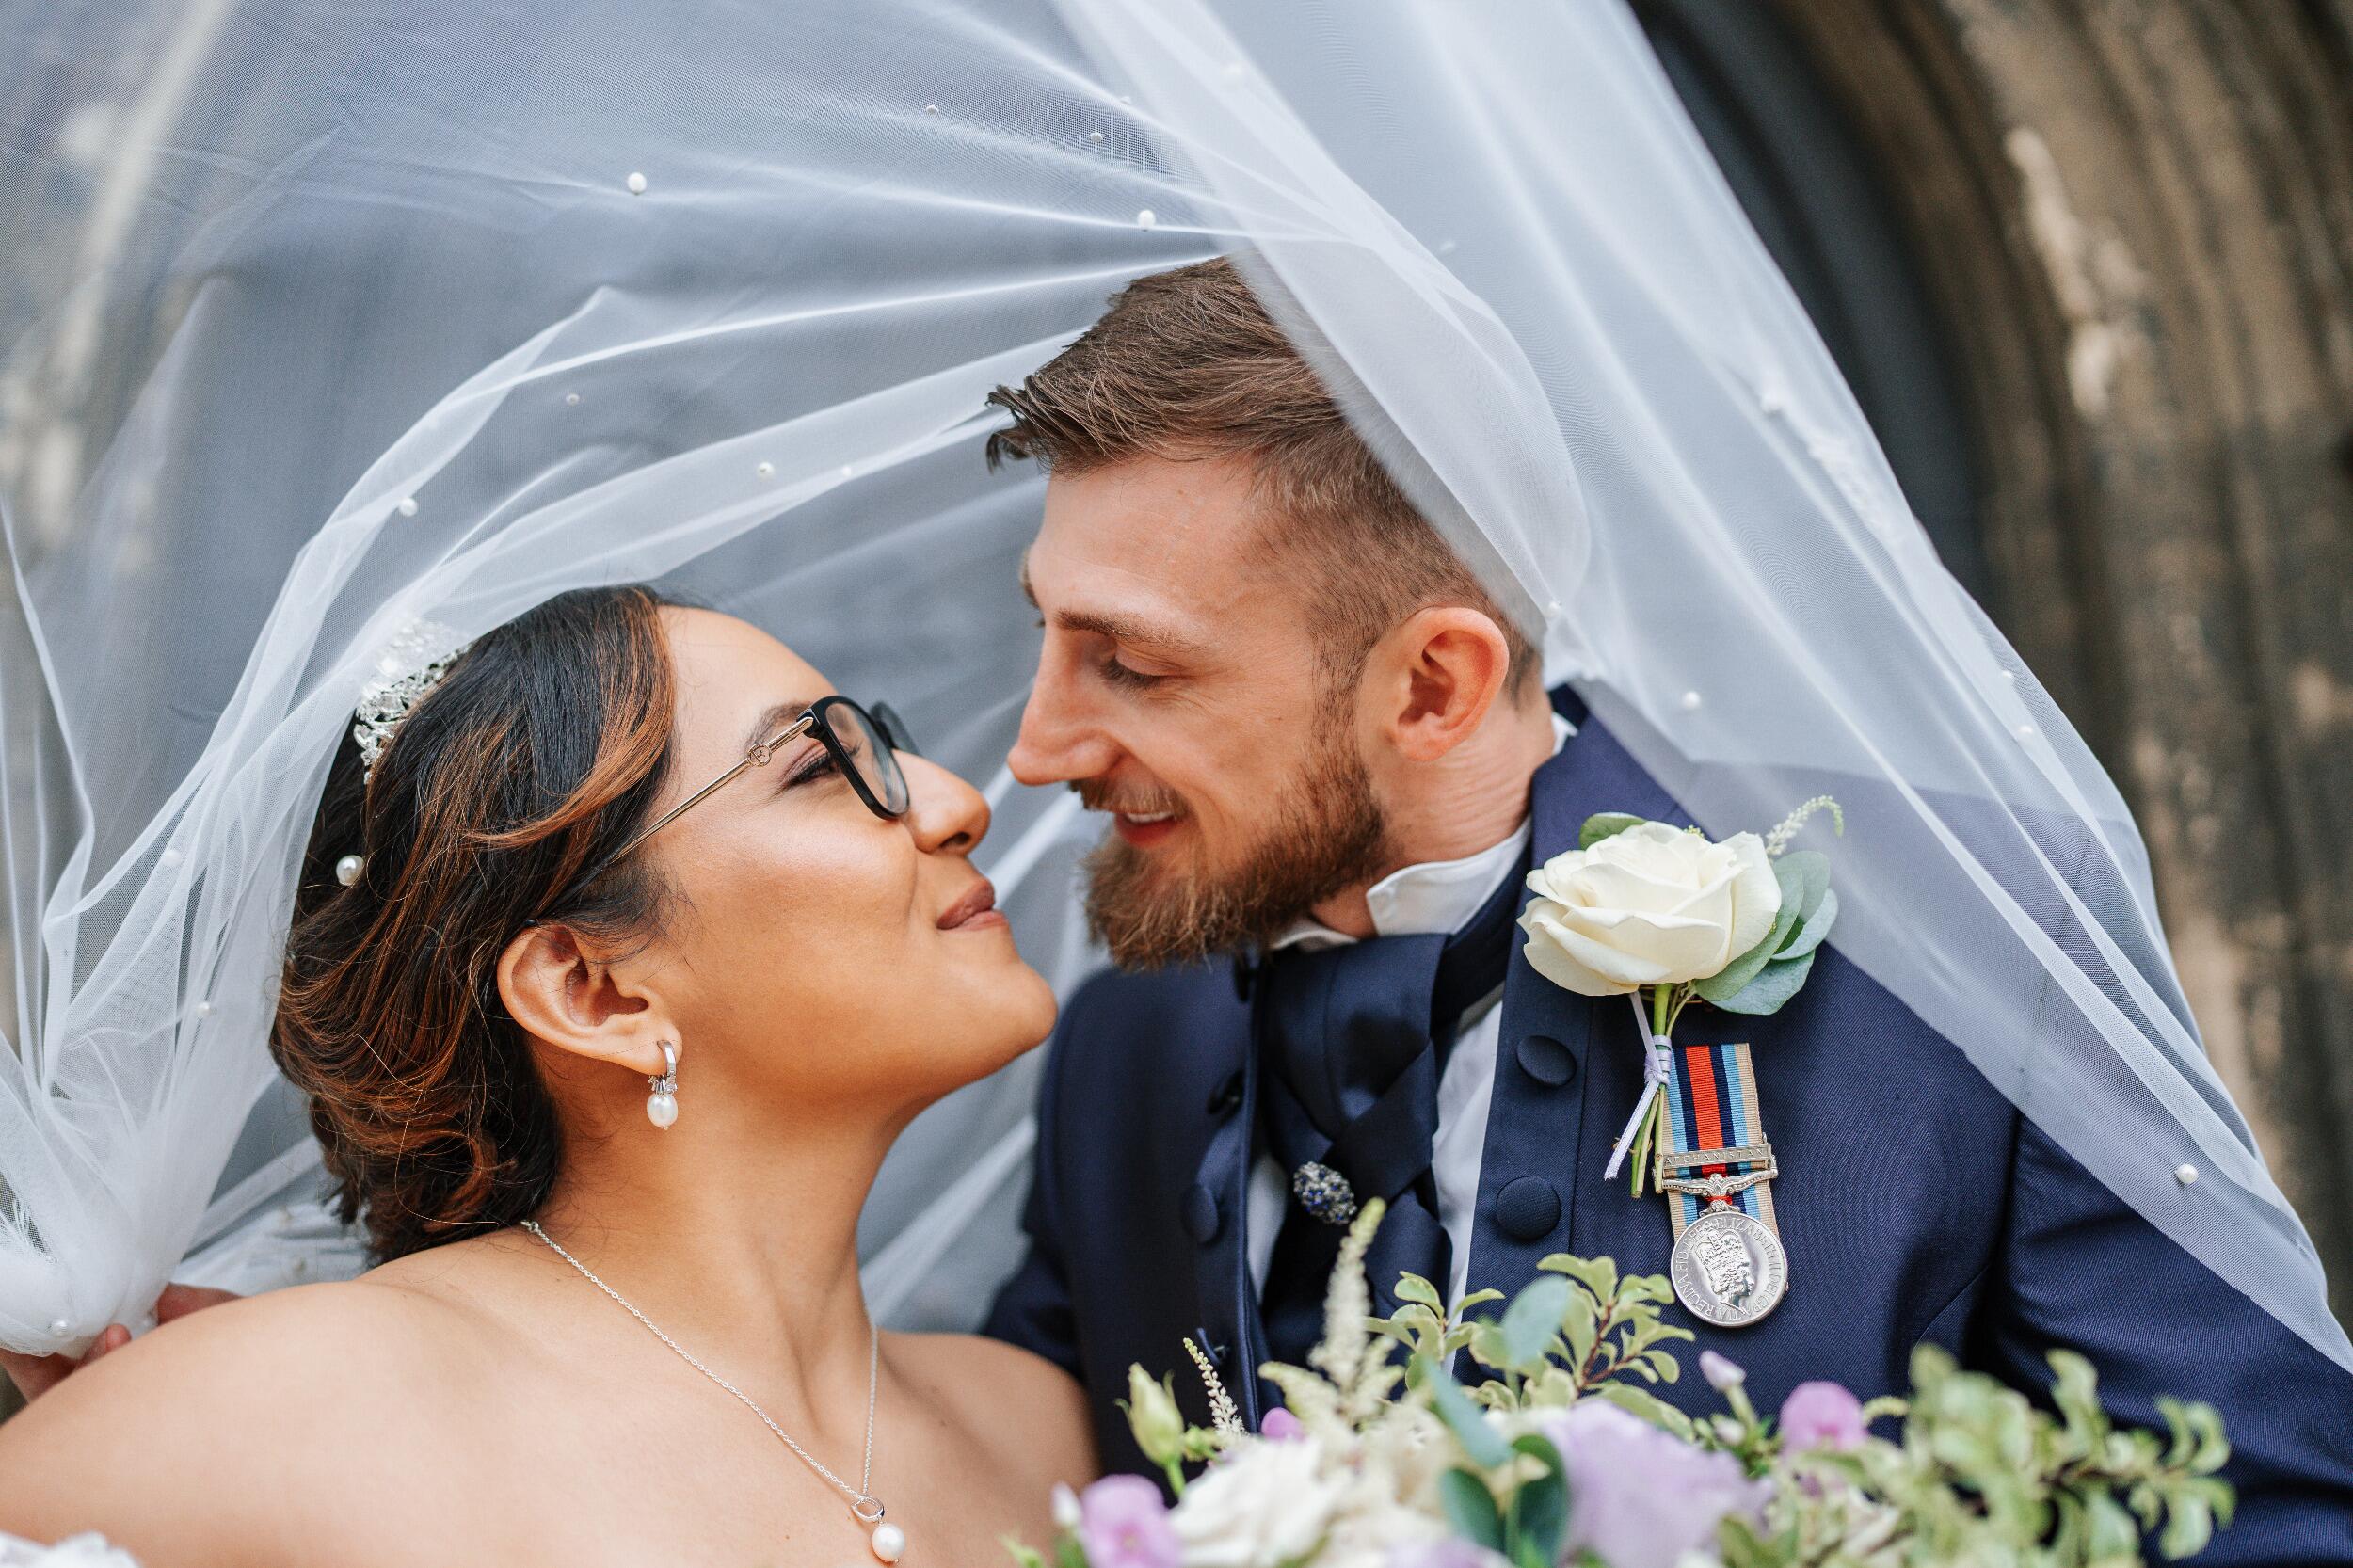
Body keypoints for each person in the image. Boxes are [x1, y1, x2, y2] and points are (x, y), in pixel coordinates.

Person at [977, 258, 2353, 1560]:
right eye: (1042, 630)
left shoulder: (1958, 952)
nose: (1037, 750)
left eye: (1136, 666)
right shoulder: (1119, 1054)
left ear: (1434, 686)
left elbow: (2267, 1523)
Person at [0, 586, 1095, 1565]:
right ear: (593, 991)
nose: (956, 801)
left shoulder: (1041, 1430)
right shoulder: (265, 1419)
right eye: (822, 766)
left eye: (883, 747)